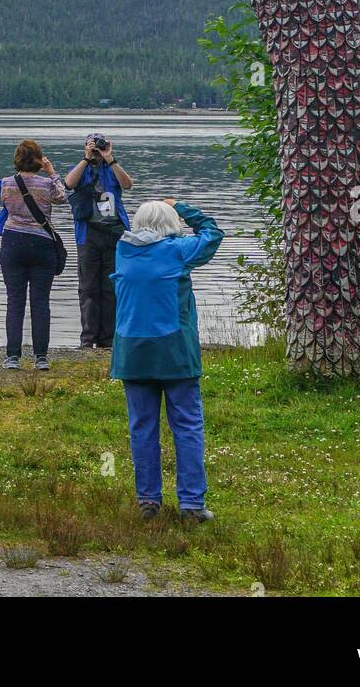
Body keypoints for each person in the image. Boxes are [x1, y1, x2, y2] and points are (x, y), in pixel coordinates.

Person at [110, 197, 224, 522]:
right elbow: (213, 233)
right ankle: (191, 504)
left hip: (132, 354)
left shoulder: (123, 252)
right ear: (171, 226)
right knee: (187, 425)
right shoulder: (177, 250)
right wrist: (184, 207)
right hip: (174, 353)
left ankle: (148, 500)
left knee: (142, 426)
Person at [0, 139, 66, 371]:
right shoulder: (47, 184)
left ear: (17, 158)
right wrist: (52, 171)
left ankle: (13, 357)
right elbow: (62, 197)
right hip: (42, 244)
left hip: (13, 243)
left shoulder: (6, 183)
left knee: (14, 301)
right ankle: (41, 358)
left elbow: (2, 203)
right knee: (40, 302)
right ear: (38, 159)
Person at [65, 133, 132, 350]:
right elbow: (69, 182)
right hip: (88, 235)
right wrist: (86, 159)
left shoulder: (111, 169)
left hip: (113, 233)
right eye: (93, 146)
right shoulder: (83, 170)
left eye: (98, 145)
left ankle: (108, 339)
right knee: (87, 287)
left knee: (111, 287)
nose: (97, 150)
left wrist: (110, 158)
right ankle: (87, 339)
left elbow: (128, 184)